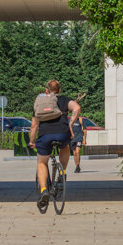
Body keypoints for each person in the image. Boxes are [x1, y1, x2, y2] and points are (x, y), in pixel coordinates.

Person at [29, 80, 82, 213]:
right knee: (65, 147)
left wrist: (32, 141)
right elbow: (77, 108)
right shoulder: (64, 100)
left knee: (42, 162)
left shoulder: (40, 103)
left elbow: (34, 125)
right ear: (59, 90)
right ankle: (62, 172)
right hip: (62, 134)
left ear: (46, 90)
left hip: (45, 135)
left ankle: (43, 190)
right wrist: (70, 124)